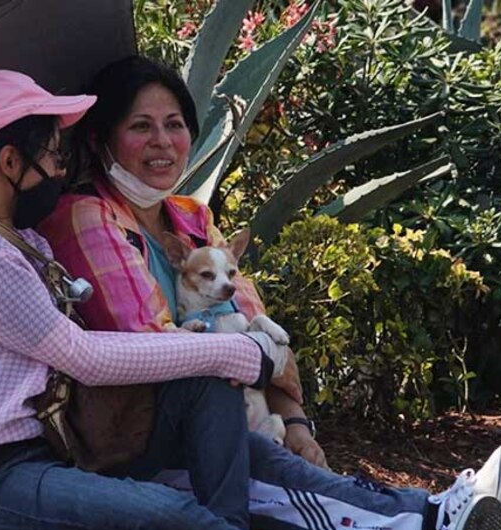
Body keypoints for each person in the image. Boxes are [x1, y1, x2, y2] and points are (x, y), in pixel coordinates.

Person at [0, 68, 501, 530]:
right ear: (8, 163)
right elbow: (83, 356)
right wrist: (238, 352)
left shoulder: (17, 241)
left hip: (56, 447)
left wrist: (237, 365)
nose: (61, 167)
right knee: (167, 516)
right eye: (52, 155)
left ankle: (428, 519)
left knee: (231, 425)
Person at [37, 55, 326, 468]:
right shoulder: (83, 215)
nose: (163, 141)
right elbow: (153, 344)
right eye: (141, 126)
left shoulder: (194, 219)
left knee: (313, 485)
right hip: (152, 443)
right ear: (99, 139)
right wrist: (254, 353)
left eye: (174, 124)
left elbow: (261, 333)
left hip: (238, 422)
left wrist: (296, 424)